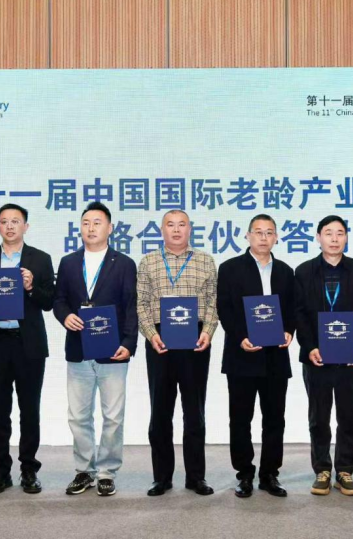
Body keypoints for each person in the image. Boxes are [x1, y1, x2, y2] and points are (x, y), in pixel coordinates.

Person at [54, 202, 138, 497]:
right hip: (79, 349)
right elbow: (59, 300)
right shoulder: (68, 262)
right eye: (86, 223)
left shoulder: (124, 263)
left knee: (113, 416)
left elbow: (131, 306)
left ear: (110, 228)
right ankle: (84, 471)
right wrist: (65, 316)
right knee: (78, 416)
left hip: (113, 350)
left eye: (97, 223)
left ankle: (106, 472)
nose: (91, 228)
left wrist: (128, 344)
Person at [0, 204, 55, 495]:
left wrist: (31, 287)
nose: (9, 226)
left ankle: (29, 470)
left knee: (29, 410)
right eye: (4, 221)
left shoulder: (41, 259)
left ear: (25, 227)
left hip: (28, 344)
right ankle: (0, 472)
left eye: (15, 221)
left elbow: (49, 301)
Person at [137, 210, 219, 496]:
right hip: (159, 340)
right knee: (160, 411)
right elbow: (141, 303)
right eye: (170, 225)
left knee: (194, 412)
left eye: (181, 225)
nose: (176, 230)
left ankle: (196, 477)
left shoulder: (205, 261)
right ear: (161, 230)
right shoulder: (148, 262)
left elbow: (213, 302)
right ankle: (161, 477)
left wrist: (208, 331)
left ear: (189, 229)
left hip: (195, 340)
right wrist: (151, 334)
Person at [294, 215, 353, 497]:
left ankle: (345, 470)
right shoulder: (304, 271)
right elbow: (299, 313)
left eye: (340, 233)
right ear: (318, 237)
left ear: (346, 237)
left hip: (349, 356)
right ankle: (322, 469)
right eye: (328, 233)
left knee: (348, 415)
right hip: (316, 356)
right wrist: (309, 346)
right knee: (318, 416)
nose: (335, 238)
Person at [217, 214, 295, 498]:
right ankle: (244, 474)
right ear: (247, 236)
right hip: (242, 355)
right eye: (258, 232)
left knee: (275, 419)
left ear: (276, 237)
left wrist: (289, 331)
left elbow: (293, 308)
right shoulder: (229, 268)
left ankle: (270, 474)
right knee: (240, 419)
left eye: (269, 232)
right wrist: (241, 337)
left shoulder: (286, 271)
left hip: (276, 356)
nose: (264, 237)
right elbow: (224, 308)